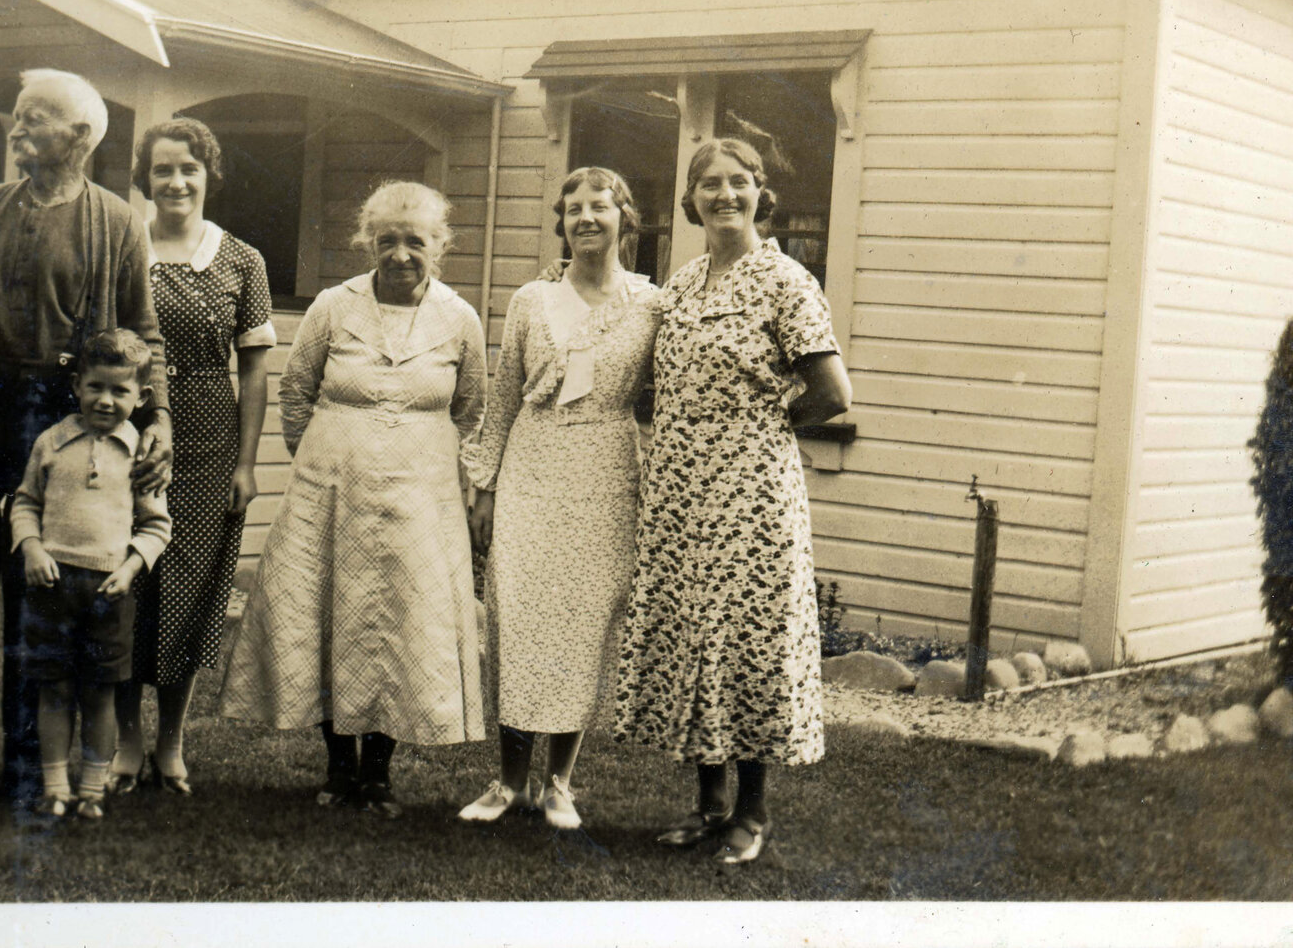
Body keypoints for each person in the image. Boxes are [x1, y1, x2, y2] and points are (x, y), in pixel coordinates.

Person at [0, 68, 173, 809]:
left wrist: (159, 420)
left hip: (58, 424)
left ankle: (34, 771)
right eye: (14, 116)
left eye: (34, 118)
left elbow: (142, 332)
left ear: (80, 137)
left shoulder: (117, 222)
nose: (14, 129)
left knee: (43, 595)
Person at [614, 135, 851, 865]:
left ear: (760, 192)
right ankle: (706, 804)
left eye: (738, 182)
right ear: (690, 200)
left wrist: (761, 431)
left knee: (747, 641)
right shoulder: (680, 285)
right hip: (681, 490)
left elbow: (833, 395)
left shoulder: (786, 281)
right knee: (693, 634)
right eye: (709, 184)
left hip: (752, 493)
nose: (724, 195)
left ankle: (751, 811)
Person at [220, 180, 487, 818]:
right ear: (368, 242)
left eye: (414, 241)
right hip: (330, 493)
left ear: (439, 246)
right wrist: (330, 456)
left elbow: (472, 409)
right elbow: (296, 394)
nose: (400, 253)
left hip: (420, 500)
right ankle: (339, 768)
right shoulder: (333, 308)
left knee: (400, 621)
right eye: (386, 240)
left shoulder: (459, 317)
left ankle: (378, 773)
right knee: (324, 615)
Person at [457, 167, 661, 831]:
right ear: (561, 222)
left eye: (598, 206)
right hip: (532, 463)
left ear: (624, 216)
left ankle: (559, 784)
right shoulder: (529, 302)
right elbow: (503, 395)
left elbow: (658, 402)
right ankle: (507, 780)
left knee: (582, 622)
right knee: (518, 617)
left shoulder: (652, 305)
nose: (585, 218)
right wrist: (483, 485)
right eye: (572, 208)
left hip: (605, 469)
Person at [109, 118, 275, 797]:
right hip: (126, 430)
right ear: (143, 180)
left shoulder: (241, 260)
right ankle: (124, 743)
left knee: (185, 589)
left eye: (188, 170)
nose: (175, 182)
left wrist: (244, 463)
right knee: (121, 584)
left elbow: (257, 371)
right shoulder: (122, 251)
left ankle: (171, 743)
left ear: (208, 176)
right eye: (161, 171)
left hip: (209, 441)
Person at [11, 329, 173, 820]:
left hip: (109, 592)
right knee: (54, 689)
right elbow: (24, 502)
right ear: (77, 385)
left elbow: (157, 526)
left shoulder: (139, 454)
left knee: (101, 693)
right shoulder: (52, 442)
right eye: (96, 387)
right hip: (52, 588)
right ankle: (56, 787)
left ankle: (93, 790)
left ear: (141, 397)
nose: (106, 401)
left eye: (120, 391)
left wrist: (129, 569)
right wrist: (33, 548)